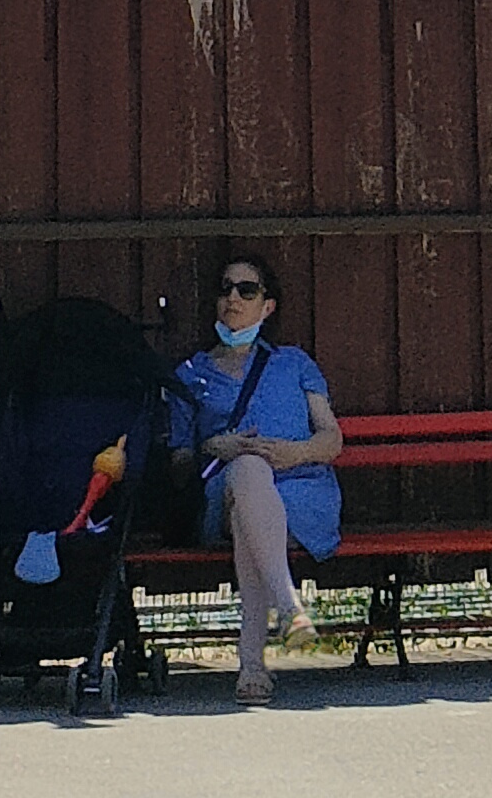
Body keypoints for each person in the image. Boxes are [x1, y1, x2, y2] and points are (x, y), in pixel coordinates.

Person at [173, 247, 341, 705]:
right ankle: (288, 607)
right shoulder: (190, 374)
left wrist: (295, 452)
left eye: (246, 290)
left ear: (267, 306)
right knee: (247, 471)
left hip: (302, 491)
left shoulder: (295, 363)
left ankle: (253, 667)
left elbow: (331, 438)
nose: (233, 298)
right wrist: (214, 447)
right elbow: (178, 462)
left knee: (253, 520)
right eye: (225, 289)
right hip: (223, 493)